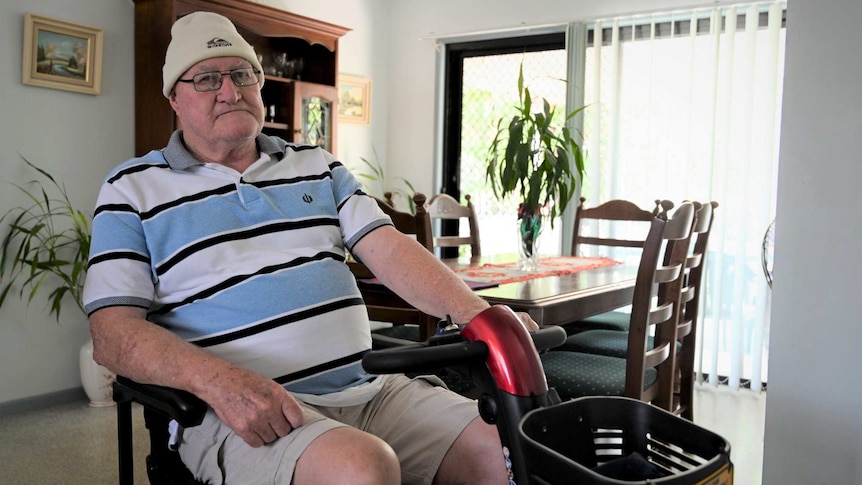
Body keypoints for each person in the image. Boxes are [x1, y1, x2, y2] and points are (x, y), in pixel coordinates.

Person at [83, 11, 538, 485]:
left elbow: (390, 250)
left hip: (371, 388)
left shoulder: (317, 164)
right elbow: (113, 334)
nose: (230, 90)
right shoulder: (131, 189)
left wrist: (480, 317)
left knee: (511, 445)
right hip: (244, 410)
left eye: (242, 74)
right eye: (207, 79)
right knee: (362, 468)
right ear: (174, 98)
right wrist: (218, 382)